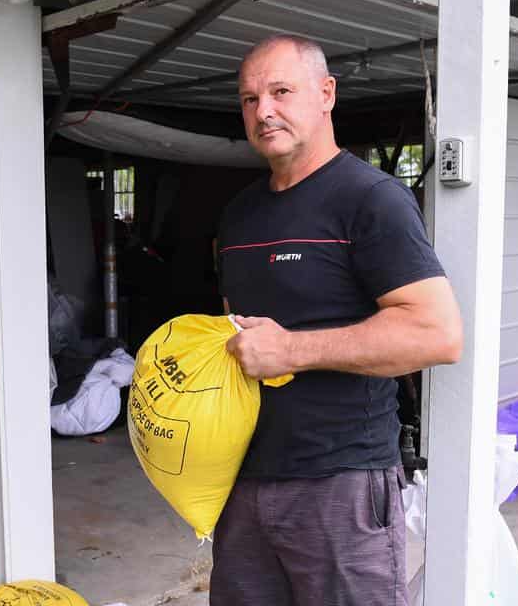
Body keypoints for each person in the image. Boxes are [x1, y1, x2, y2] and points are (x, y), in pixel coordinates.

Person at [213, 35, 463, 606]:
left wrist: (293, 351)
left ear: (326, 94)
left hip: (341, 485)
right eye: (250, 99)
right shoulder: (239, 214)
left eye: (280, 91)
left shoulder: (371, 199)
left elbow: (437, 334)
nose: (264, 111)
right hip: (243, 479)